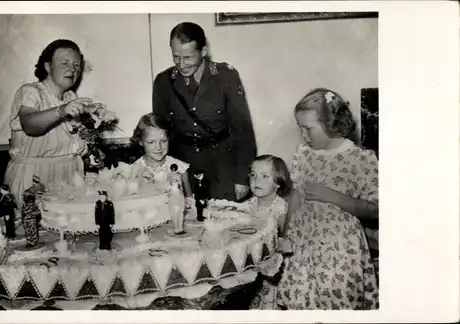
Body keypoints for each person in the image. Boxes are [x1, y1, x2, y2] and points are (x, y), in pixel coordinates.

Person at [277, 88, 379, 310]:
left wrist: (334, 197)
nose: (303, 136)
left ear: (332, 124)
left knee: (336, 302)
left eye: (308, 129)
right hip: (304, 243)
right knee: (302, 300)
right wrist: (286, 235)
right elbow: (296, 196)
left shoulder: (360, 159)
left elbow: (376, 210)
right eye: (300, 128)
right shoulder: (304, 154)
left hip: (340, 249)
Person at [152, 22, 257, 202]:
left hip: (222, 168)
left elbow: (243, 130)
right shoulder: (163, 82)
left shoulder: (226, 77)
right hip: (183, 169)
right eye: (176, 57)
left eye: (188, 57)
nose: (182, 64)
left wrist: (242, 178)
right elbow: (160, 131)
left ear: (204, 51)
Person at [4, 39, 99, 207]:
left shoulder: (71, 97)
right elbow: (29, 125)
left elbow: (70, 139)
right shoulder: (30, 92)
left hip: (69, 176)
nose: (72, 69)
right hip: (35, 179)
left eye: (77, 65)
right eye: (65, 63)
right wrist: (61, 111)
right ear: (48, 67)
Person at [245, 155, 291, 310]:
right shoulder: (248, 205)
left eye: (265, 176)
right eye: (253, 175)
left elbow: (283, 238)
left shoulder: (280, 208)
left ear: (278, 182)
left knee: (267, 300)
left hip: (270, 264)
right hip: (250, 260)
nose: (256, 181)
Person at [130, 113, 192, 197]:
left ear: (169, 139)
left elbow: (190, 203)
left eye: (163, 141)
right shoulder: (134, 171)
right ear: (140, 141)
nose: (158, 147)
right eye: (151, 142)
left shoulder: (180, 169)